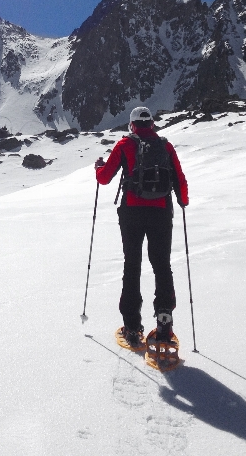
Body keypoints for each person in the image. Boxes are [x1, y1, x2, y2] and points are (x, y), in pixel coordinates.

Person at [95, 106, 188, 349]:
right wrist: (182, 200)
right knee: (161, 265)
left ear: (132, 124)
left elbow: (104, 178)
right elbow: (179, 178)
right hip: (160, 211)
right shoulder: (165, 146)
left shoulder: (125, 144)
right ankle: (164, 322)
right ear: (152, 124)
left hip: (132, 212)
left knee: (132, 264)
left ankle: (132, 327)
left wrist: (98, 168)